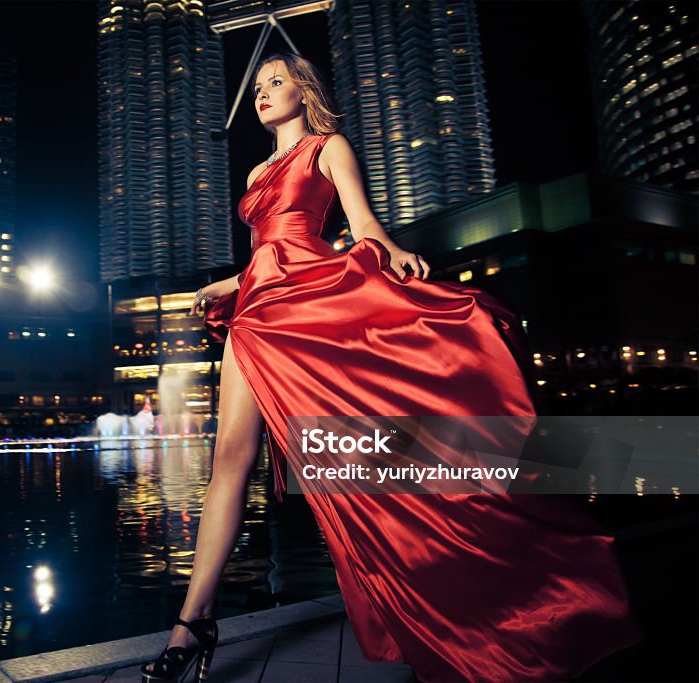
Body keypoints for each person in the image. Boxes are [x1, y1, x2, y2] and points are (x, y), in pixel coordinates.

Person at [140, 53, 641, 683]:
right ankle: (193, 623)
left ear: (304, 90)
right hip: (255, 309)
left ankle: (472, 560)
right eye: (259, 85)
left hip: (306, 306)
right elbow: (266, 252)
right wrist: (225, 285)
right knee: (229, 462)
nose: (264, 93)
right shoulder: (255, 169)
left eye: (277, 82)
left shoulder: (328, 147)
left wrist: (396, 253)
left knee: (359, 448)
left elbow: (363, 227)